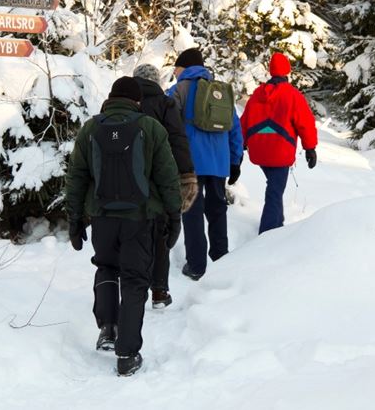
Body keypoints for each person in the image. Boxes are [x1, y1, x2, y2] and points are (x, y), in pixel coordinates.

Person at [65, 76, 182, 377]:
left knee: (105, 267)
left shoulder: (91, 129)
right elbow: (167, 178)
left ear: (111, 97)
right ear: (137, 101)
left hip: (102, 218)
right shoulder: (151, 128)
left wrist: (75, 220)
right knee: (133, 281)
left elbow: (77, 177)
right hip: (139, 219)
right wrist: (174, 215)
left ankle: (107, 328)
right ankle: (127, 355)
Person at [166, 48, 243, 280]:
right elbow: (235, 128)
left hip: (191, 164)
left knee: (192, 212)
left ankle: (197, 266)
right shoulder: (220, 91)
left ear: (184, 67)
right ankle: (221, 259)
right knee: (218, 210)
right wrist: (235, 161)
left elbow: (167, 123)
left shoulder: (178, 89)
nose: (174, 72)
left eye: (176, 68)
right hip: (219, 164)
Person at [132, 64, 198, 308]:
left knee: (132, 231)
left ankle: (132, 286)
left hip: (127, 176)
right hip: (160, 175)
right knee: (160, 232)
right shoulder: (165, 103)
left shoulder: (126, 102)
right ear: (156, 80)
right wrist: (186, 173)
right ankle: (159, 291)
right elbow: (177, 139)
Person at [240, 52, 318, 234]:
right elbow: (305, 123)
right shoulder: (292, 95)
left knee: (275, 187)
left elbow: (244, 121)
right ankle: (267, 234)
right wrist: (310, 148)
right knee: (275, 192)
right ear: (287, 70)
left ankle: (278, 226)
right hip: (280, 151)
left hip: (258, 151)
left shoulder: (257, 94)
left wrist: (241, 144)